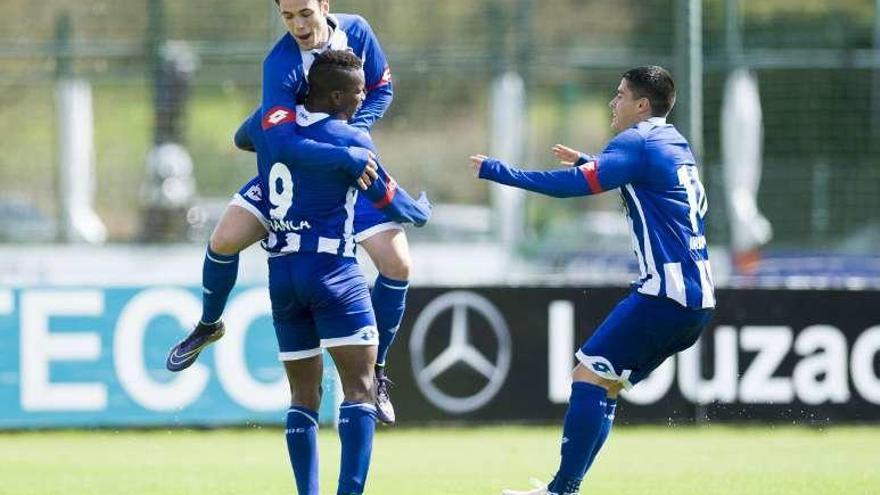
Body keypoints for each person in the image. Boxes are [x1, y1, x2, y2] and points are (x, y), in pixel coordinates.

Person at [469, 66, 716, 495]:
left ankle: (561, 490)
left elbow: (571, 189)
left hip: (665, 294)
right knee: (604, 386)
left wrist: (501, 172)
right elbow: (651, 184)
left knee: (587, 377)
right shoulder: (673, 142)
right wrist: (590, 163)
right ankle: (566, 487)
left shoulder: (635, 142)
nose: (612, 103)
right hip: (698, 298)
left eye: (620, 95)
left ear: (642, 105)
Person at [167, 0, 406, 424]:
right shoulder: (280, 63)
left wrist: (352, 132)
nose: (298, 25)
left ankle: (379, 371)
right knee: (223, 240)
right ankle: (209, 324)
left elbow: (381, 88)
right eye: (287, 16)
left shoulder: (359, 31)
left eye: (305, 14)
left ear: (325, 6)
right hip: (292, 172)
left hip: (341, 173)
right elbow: (278, 143)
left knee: (398, 265)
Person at [243, 50, 428, 495]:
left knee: (302, 398)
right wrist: (422, 211)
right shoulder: (352, 141)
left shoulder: (275, 131)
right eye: (361, 90)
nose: (367, 97)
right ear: (340, 95)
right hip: (333, 272)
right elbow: (391, 201)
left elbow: (241, 137)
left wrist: (281, 111)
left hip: (283, 272)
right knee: (360, 389)